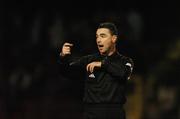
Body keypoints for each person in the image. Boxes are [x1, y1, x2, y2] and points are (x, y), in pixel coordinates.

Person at [58, 22, 134, 119]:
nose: (98, 40)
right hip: (91, 114)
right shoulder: (88, 60)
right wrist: (62, 57)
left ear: (113, 38)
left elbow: (124, 74)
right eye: (97, 37)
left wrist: (103, 64)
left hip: (115, 114)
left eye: (103, 36)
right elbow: (66, 72)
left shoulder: (125, 61)